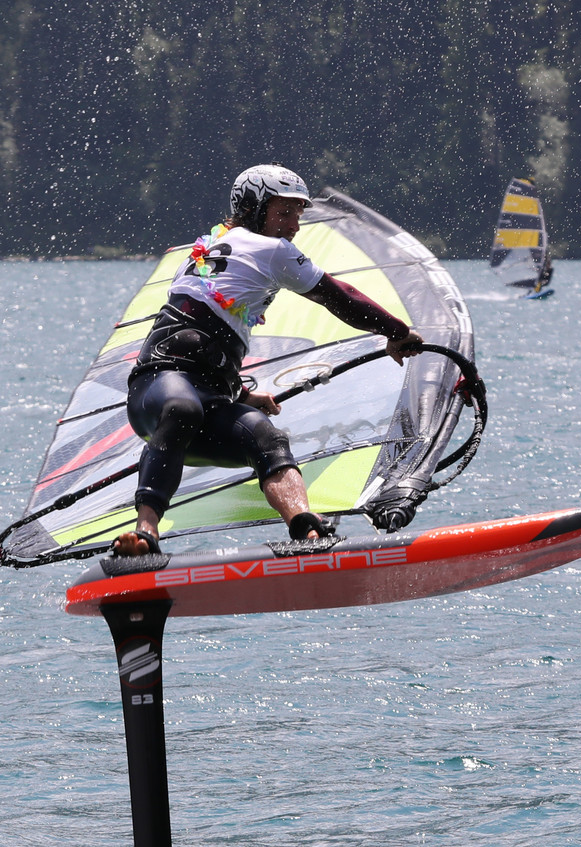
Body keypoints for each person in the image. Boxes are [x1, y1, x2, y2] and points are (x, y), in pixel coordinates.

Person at [113, 164, 423, 557]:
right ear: (254, 211)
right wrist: (397, 332)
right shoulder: (271, 250)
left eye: (298, 214)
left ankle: (306, 528)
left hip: (208, 402)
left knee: (267, 436)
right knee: (183, 406)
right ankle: (144, 535)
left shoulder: (211, 245)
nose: (294, 225)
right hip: (156, 394)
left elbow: (210, 339)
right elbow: (338, 296)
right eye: (284, 212)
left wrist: (240, 395)